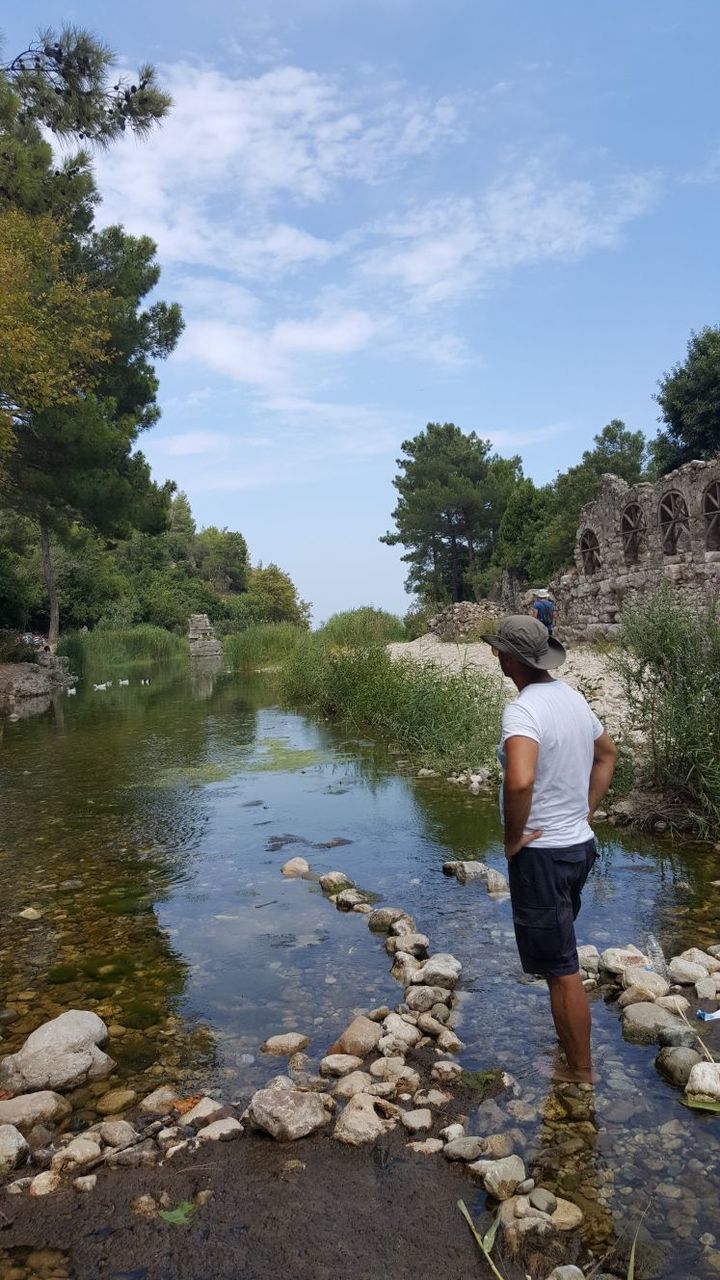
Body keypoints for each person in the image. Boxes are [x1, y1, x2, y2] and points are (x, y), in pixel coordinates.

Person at [483, 615, 617, 1084]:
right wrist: (586, 811)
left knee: (562, 969)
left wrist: (512, 838)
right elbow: (608, 754)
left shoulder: (522, 710)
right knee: (560, 955)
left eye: (498, 649)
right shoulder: (572, 698)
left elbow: (520, 779)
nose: (495, 655)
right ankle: (569, 1050)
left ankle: (580, 1072)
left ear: (511, 658)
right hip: (579, 847)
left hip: (542, 855)